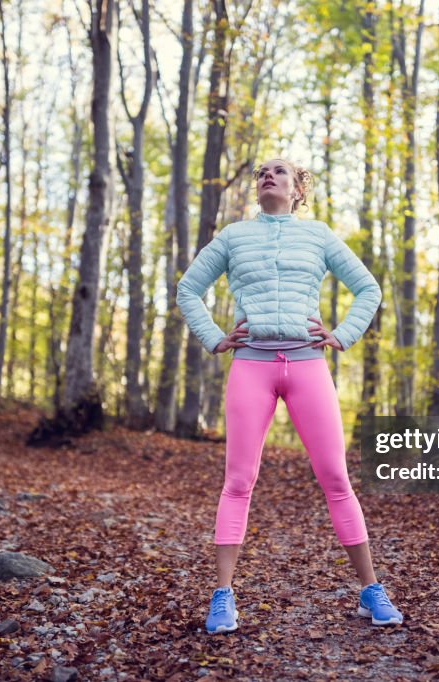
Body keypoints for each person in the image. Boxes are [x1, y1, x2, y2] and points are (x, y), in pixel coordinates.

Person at [176, 157, 404, 635]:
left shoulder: (318, 235)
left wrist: (342, 335)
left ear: (298, 189)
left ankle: (370, 590)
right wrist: (215, 337)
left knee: (337, 478)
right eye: (261, 171)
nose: (267, 175)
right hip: (251, 366)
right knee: (238, 480)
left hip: (307, 365)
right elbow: (188, 289)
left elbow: (368, 288)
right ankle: (222, 597)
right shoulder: (234, 237)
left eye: (279, 171)